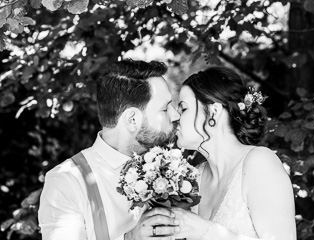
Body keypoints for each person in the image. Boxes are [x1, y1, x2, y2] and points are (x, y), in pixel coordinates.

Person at [38, 60, 181, 240]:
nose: (176, 115)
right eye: (165, 108)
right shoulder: (66, 182)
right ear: (132, 120)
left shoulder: (173, 169)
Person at [172, 66, 296, 239]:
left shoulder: (259, 163)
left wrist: (206, 231)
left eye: (183, 109)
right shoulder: (196, 177)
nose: (175, 118)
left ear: (213, 112)